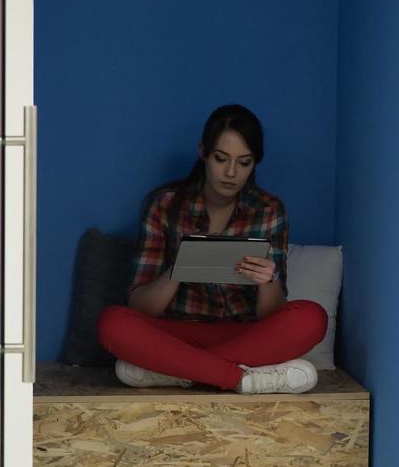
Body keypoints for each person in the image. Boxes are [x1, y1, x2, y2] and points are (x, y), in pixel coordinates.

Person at [98, 104, 327, 393]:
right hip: (176, 334)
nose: (231, 172)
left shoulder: (268, 210)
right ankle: (241, 379)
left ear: (254, 163)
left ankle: (176, 371)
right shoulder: (164, 205)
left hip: (244, 335)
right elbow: (140, 305)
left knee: (312, 317)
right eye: (221, 159)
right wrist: (179, 268)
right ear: (203, 151)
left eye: (244, 162)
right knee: (113, 323)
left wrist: (269, 280)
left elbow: (273, 314)